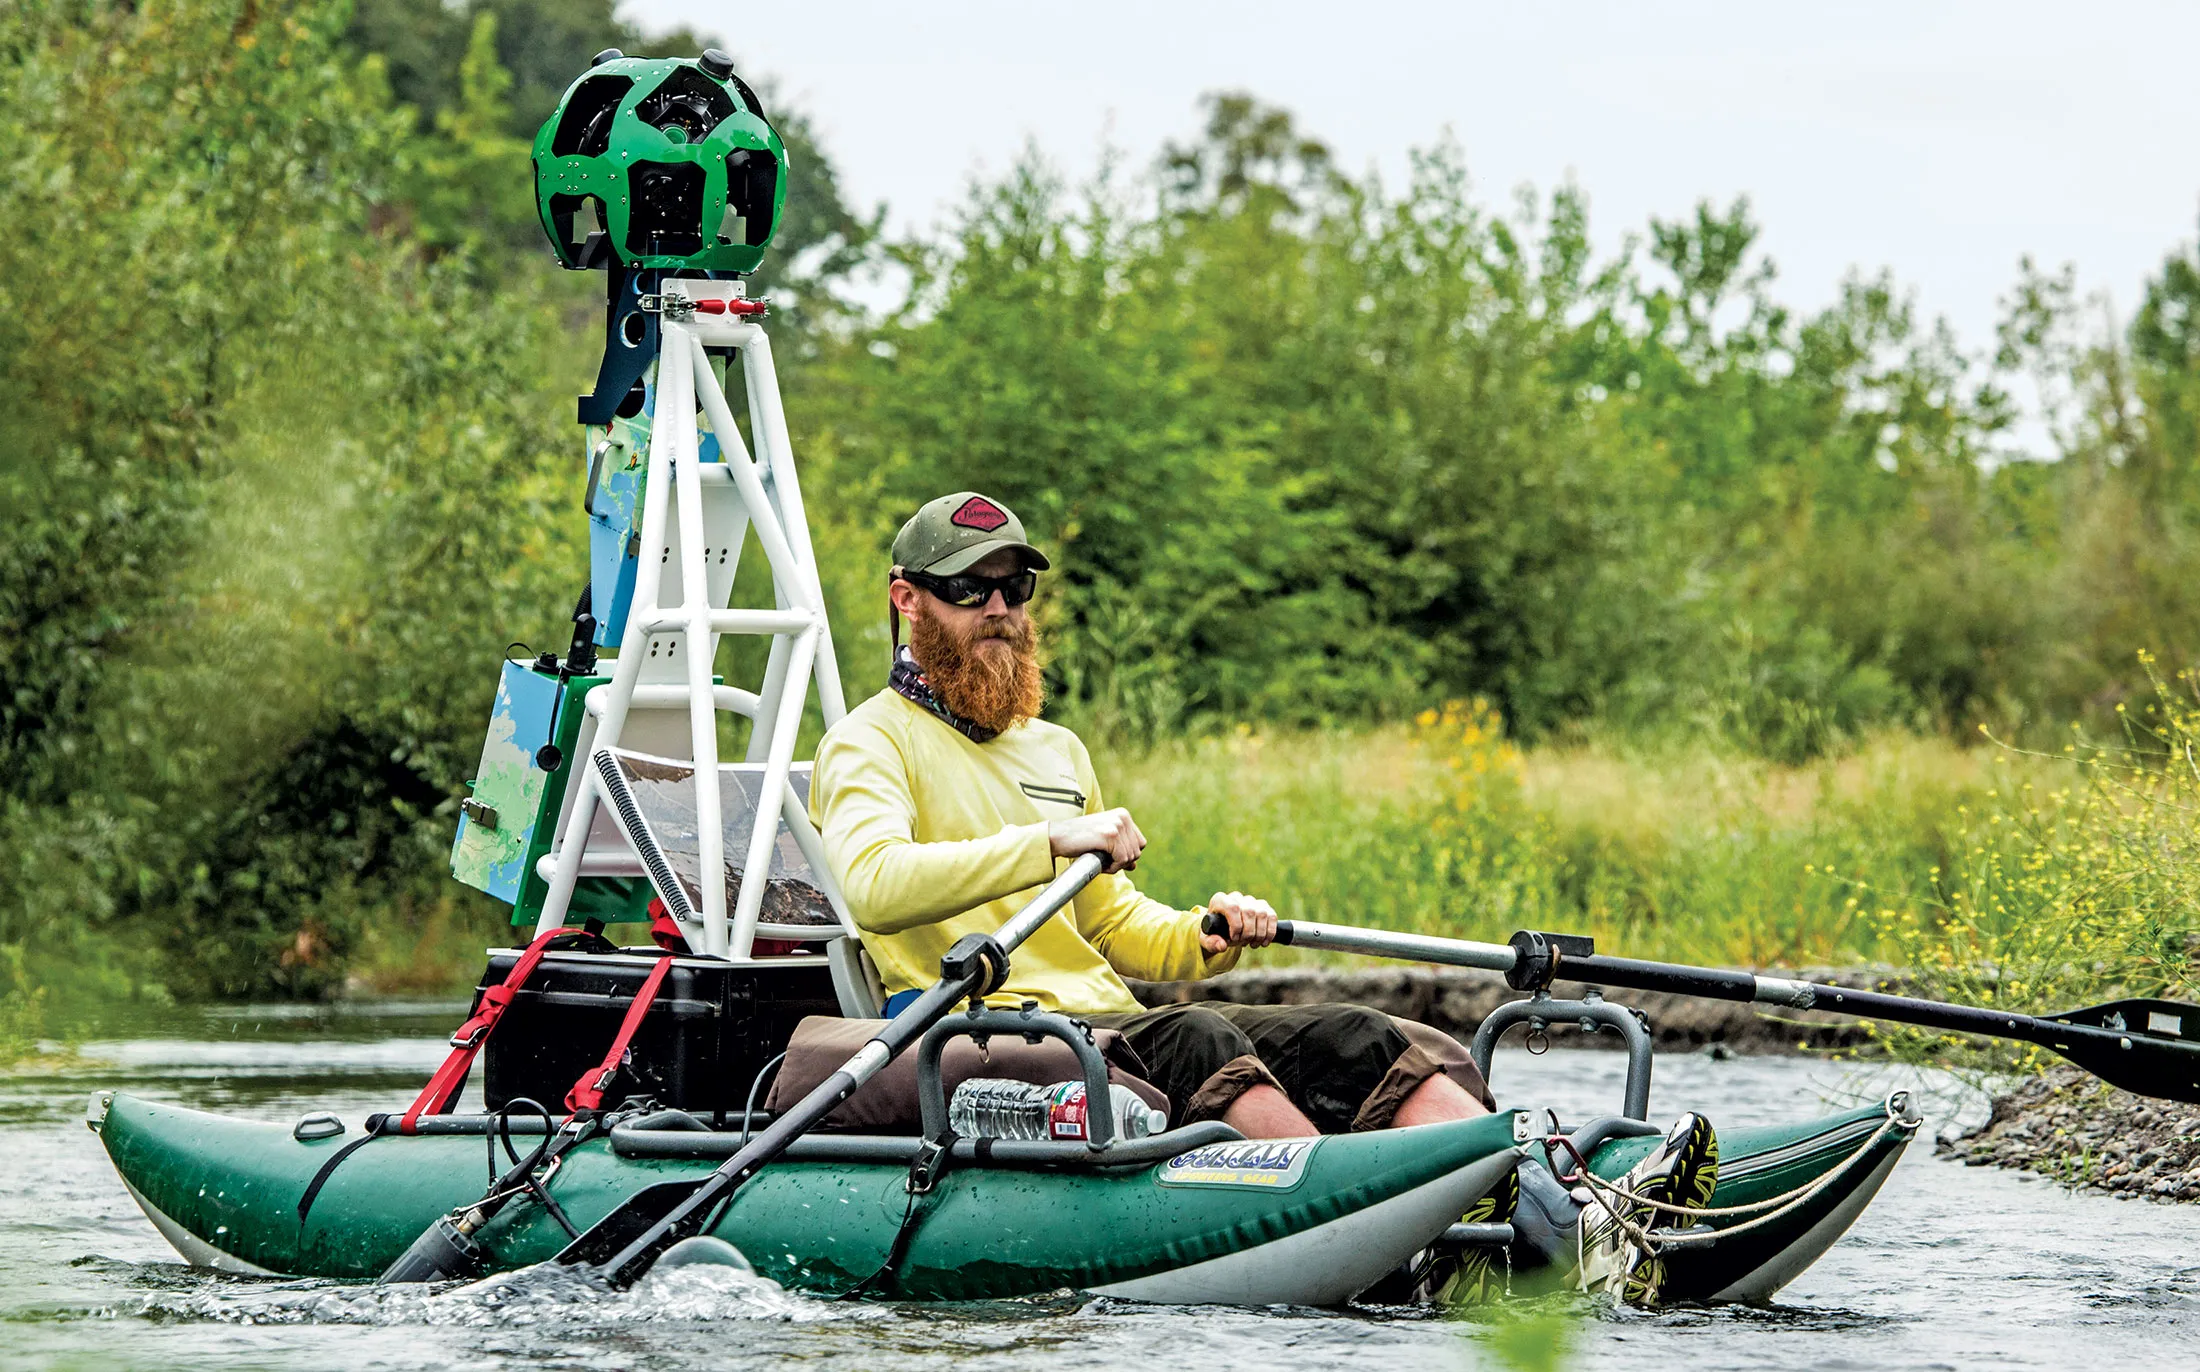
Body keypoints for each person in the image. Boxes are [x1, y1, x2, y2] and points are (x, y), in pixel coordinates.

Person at [809, 490, 1718, 1301]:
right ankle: (1395, 1239)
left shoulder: (1057, 750)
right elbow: (875, 885)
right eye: (971, 590)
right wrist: (1049, 840)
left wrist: (1205, 935)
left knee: (1359, 1034)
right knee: (1204, 1038)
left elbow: (1115, 929)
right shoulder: (868, 744)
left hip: (1108, 1023)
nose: (1000, 611)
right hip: (991, 1033)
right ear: (907, 599)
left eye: (1016, 589)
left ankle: (1561, 1208)